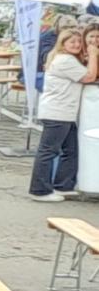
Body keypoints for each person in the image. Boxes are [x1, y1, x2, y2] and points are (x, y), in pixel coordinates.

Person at [32, 26, 97, 201]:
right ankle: (40, 190)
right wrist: (92, 54)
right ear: (62, 44)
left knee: (71, 150)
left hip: (65, 113)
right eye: (72, 42)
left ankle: (63, 185)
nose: (76, 44)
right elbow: (89, 77)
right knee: (48, 151)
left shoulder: (68, 59)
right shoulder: (65, 61)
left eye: (78, 41)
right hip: (57, 113)